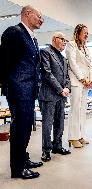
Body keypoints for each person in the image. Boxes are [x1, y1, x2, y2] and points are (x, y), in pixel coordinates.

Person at [0, 5, 44, 179]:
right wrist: (9, 86)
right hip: (19, 89)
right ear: (27, 14)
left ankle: (23, 159)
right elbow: (4, 63)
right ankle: (17, 169)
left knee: (25, 128)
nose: (41, 20)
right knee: (20, 129)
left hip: (28, 90)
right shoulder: (14, 32)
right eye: (39, 16)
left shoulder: (32, 38)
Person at [39, 32, 71, 162]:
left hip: (61, 96)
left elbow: (67, 76)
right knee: (47, 124)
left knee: (60, 122)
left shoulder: (63, 58)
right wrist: (60, 89)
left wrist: (67, 88)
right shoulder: (45, 52)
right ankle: (46, 150)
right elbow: (47, 73)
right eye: (62, 39)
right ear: (54, 39)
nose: (64, 42)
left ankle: (57, 145)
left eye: (65, 40)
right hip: (49, 95)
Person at [66, 24, 92, 148]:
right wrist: (82, 79)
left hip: (86, 82)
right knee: (75, 109)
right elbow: (72, 63)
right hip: (76, 81)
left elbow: (89, 66)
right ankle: (73, 137)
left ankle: (81, 135)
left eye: (88, 33)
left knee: (83, 110)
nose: (87, 35)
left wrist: (90, 80)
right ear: (78, 33)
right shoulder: (71, 45)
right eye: (84, 32)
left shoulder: (85, 48)